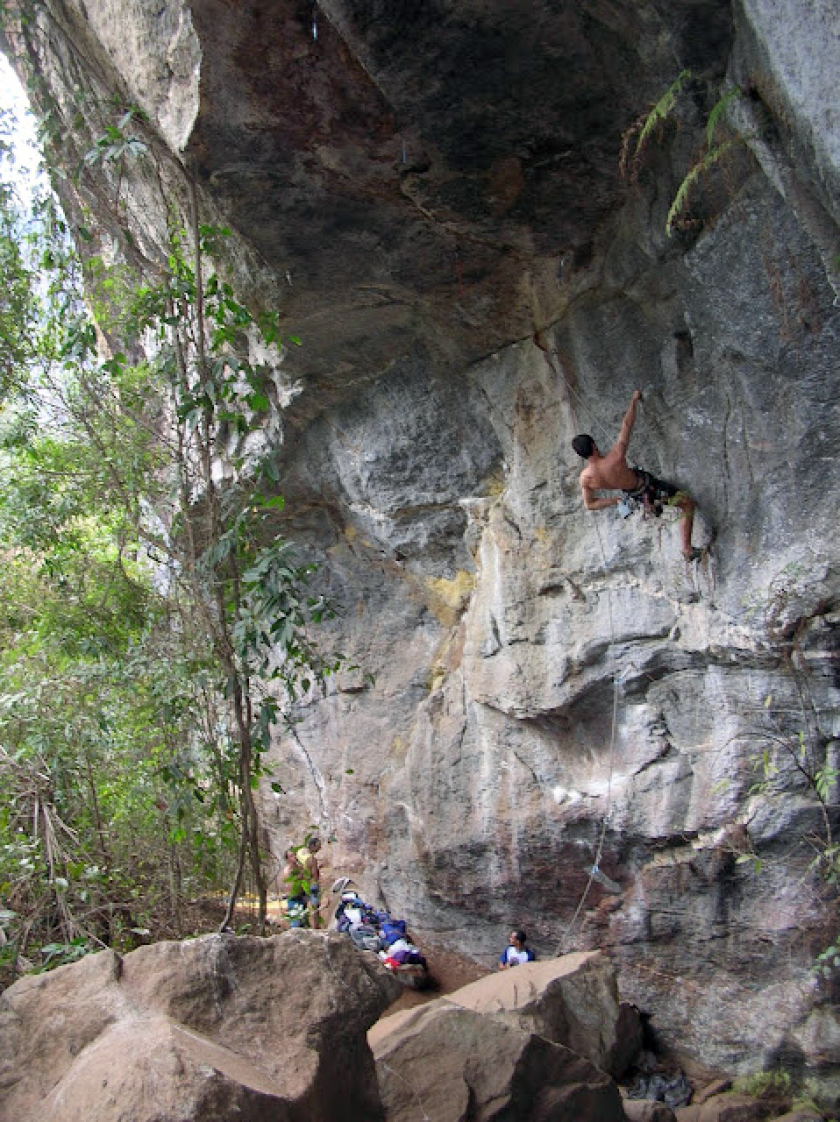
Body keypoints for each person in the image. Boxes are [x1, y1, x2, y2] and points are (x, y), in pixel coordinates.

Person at [571, 390, 700, 561]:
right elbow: (626, 425)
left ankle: (675, 534)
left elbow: (590, 504)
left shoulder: (586, 478)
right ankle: (687, 549)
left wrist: (615, 500)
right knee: (688, 504)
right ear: (594, 445)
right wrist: (633, 401)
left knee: (674, 506)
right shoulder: (615, 458)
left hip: (636, 497)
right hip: (650, 489)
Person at [296, 836, 323, 928]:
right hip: (312, 884)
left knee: (303, 906)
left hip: (303, 884)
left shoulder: (300, 853)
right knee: (315, 907)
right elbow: (314, 873)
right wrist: (317, 883)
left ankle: (303, 925)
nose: (319, 848)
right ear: (313, 845)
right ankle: (316, 927)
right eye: (318, 846)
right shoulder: (312, 859)